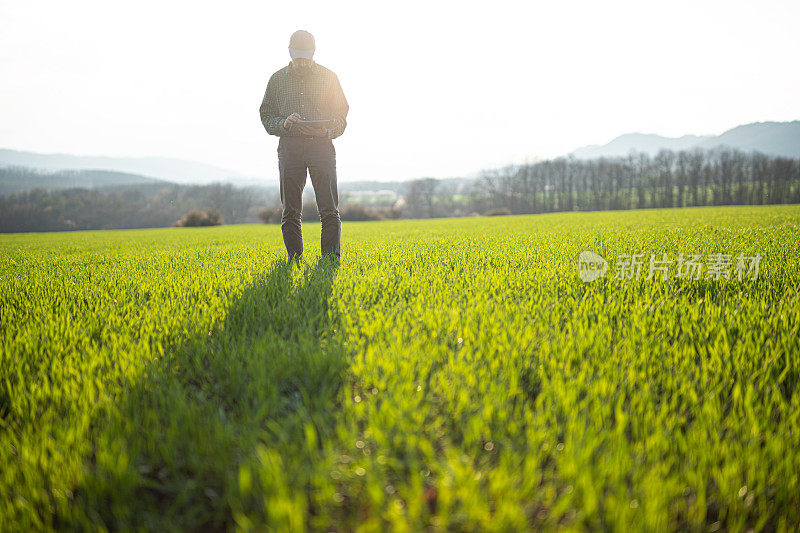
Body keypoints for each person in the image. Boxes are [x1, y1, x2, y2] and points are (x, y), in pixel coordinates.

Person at [259, 29, 349, 263]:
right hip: (290, 149)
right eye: (297, 56)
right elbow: (266, 115)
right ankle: (294, 260)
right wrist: (284, 123)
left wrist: (326, 131)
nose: (301, 61)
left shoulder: (329, 77)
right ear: (289, 52)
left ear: (313, 53)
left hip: (322, 148)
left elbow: (341, 116)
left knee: (329, 209)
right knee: (290, 211)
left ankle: (330, 261)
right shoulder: (277, 80)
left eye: (305, 56)